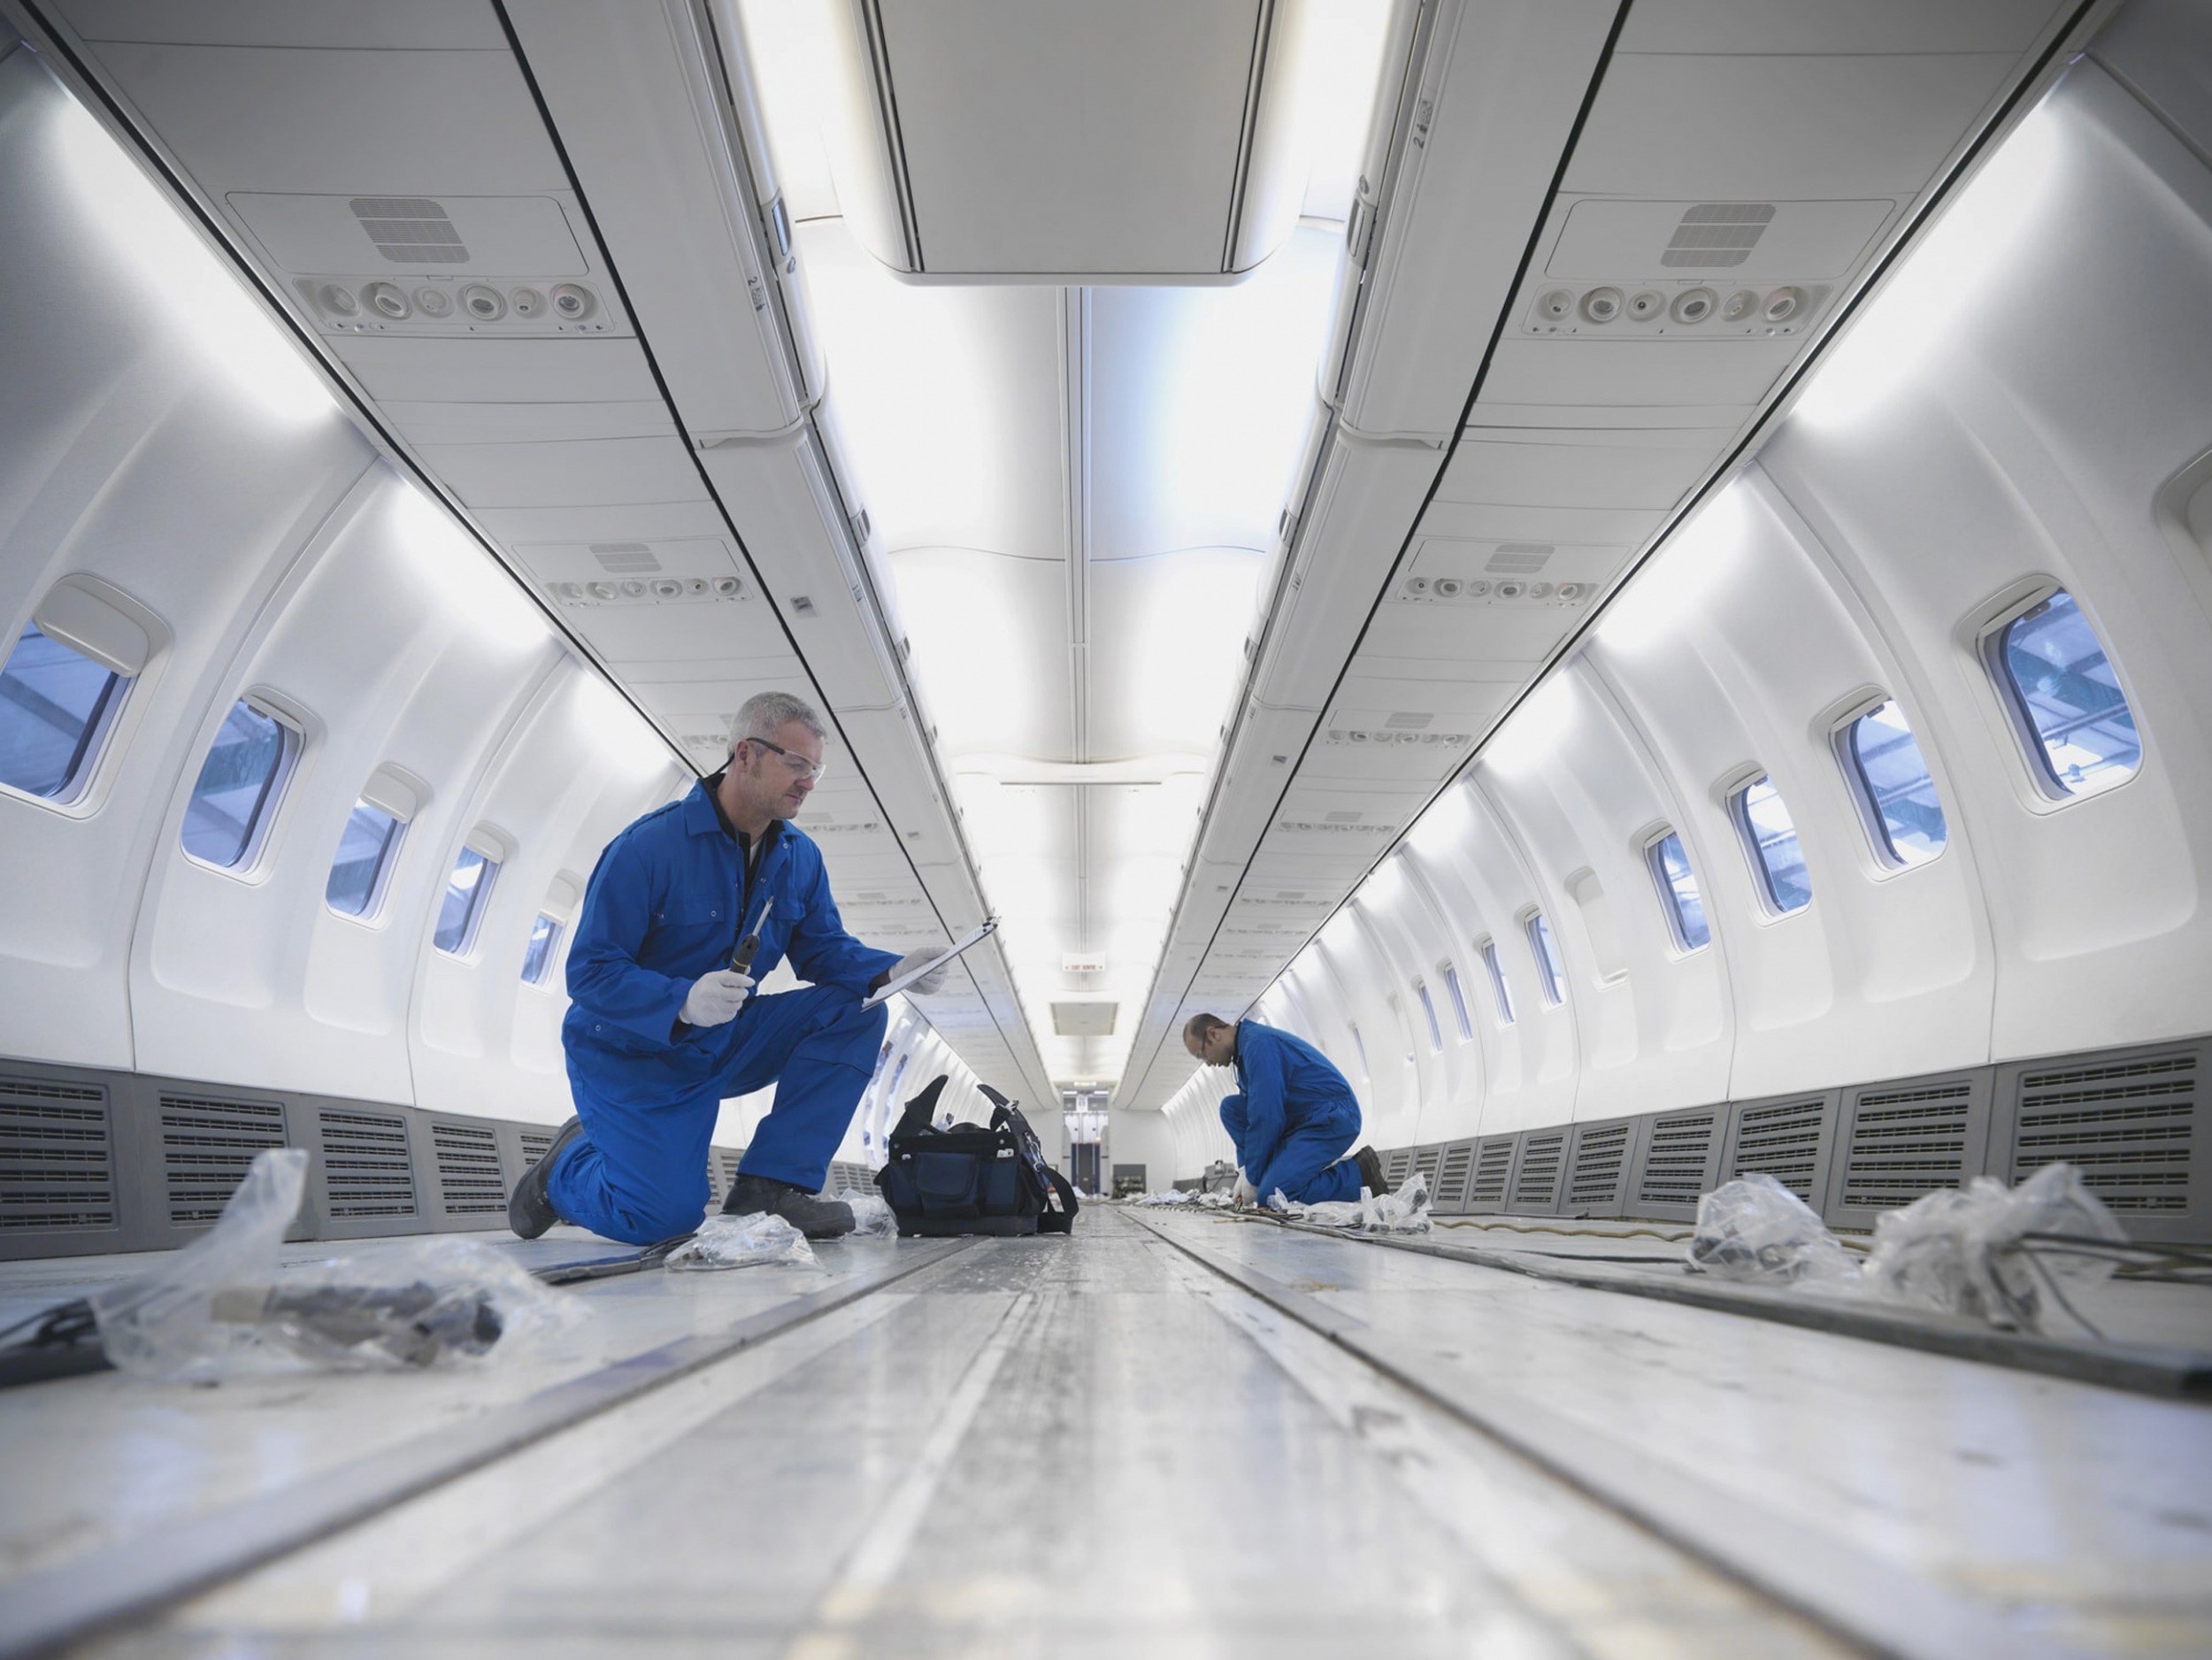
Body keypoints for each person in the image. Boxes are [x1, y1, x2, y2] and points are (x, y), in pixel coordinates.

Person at [508, 691, 949, 1244]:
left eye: (816, 769)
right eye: (796, 764)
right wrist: (682, 1000)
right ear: (746, 755)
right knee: (662, 1219)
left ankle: (771, 1188)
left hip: (725, 1041)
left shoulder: (799, 857)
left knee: (855, 1009)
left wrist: (895, 970)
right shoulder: (649, 847)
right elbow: (591, 972)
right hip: (633, 1054)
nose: (808, 781)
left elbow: (824, 951)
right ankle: (563, 1171)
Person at [1182, 1013, 1386, 1207]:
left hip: (1330, 1116)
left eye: (1202, 1055)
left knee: (1272, 1196)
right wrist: (1244, 1171)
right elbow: (1253, 1118)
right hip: (1302, 1118)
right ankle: (1270, 1177)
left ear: (1213, 1034)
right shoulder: (1244, 1054)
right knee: (1230, 1108)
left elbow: (1267, 1116)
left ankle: (1360, 1174)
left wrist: (1254, 1178)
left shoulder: (1259, 1046)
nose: (1208, 1063)